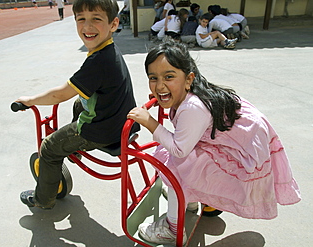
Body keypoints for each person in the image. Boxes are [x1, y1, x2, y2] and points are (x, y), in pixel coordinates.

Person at [127, 39, 301, 245]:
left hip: (242, 155)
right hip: (236, 142)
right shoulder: (190, 95)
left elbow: (179, 149)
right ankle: (188, 201)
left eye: (169, 77)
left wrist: (150, 123)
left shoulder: (193, 106)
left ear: (189, 79)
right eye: (153, 78)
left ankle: (173, 229)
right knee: (180, 164)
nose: (160, 85)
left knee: (173, 166)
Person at [17, 0, 140, 210]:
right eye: (81, 19)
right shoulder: (108, 49)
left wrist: (29, 101)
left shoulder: (98, 62)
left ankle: (43, 199)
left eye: (96, 19)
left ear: (113, 24)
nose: (87, 26)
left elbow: (59, 95)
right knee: (79, 103)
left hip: (103, 131)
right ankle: (75, 150)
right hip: (119, 121)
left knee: (48, 148)